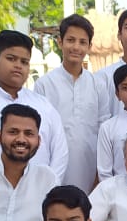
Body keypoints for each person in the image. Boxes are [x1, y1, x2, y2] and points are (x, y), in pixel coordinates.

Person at [0, 29, 68, 181]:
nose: (18, 66)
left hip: (39, 191)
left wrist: (48, 185)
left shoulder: (44, 106)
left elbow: (60, 153)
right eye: (11, 59)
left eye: (24, 62)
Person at [35, 14, 109, 191]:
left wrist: (100, 173)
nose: (76, 47)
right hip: (53, 168)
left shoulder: (98, 85)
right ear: (60, 42)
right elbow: (39, 133)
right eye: (71, 40)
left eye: (82, 42)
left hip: (90, 168)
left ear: (89, 46)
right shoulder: (44, 85)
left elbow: (104, 130)